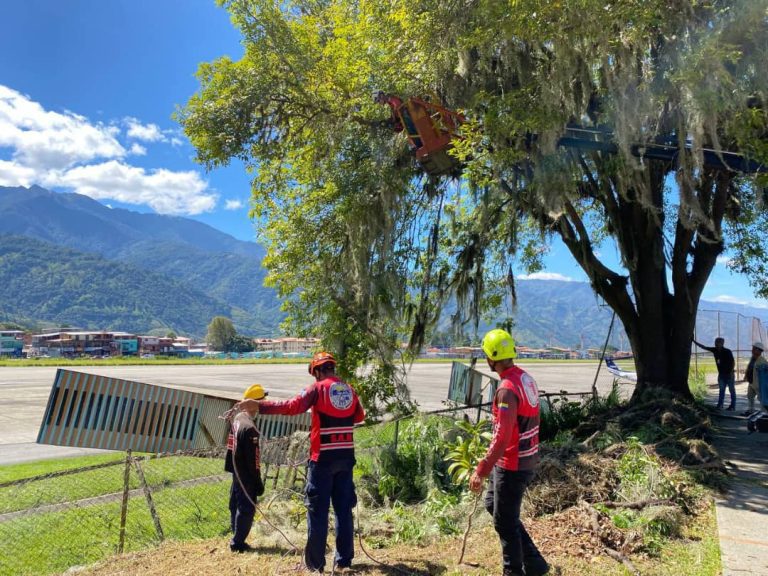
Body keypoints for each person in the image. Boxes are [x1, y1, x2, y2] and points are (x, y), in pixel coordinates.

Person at [236, 352, 365, 573]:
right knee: (343, 510)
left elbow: (292, 406)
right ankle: (344, 561)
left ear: (317, 371)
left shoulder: (317, 389)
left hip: (322, 459)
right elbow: (359, 417)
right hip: (345, 457)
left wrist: (259, 406)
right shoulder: (348, 389)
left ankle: (315, 565)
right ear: (332, 368)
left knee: (317, 512)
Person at [469, 329, 549, 576]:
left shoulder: (506, 389)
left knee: (505, 523)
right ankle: (535, 564)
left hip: (513, 463)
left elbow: (502, 437)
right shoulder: (525, 378)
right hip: (524, 458)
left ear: (491, 358)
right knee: (494, 505)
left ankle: (513, 571)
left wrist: (481, 470)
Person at [225, 384, 267, 553]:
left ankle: (235, 534)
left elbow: (230, 447)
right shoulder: (250, 429)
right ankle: (237, 542)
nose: (262, 406)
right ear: (254, 404)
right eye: (261, 402)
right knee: (247, 507)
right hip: (245, 473)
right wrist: (257, 482)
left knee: (235, 503)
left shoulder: (237, 419)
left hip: (236, 470)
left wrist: (232, 469)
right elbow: (254, 460)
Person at [693, 337, 736, 410]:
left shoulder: (727, 351)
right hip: (721, 374)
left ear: (722, 343)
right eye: (715, 342)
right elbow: (704, 347)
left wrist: (730, 372)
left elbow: (733, 363)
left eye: (718, 342)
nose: (716, 344)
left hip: (729, 374)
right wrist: (694, 341)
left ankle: (732, 406)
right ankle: (720, 405)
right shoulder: (714, 350)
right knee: (721, 390)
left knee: (731, 390)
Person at [743, 341, 768, 415]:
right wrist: (746, 376)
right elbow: (749, 368)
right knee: (750, 396)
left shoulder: (762, 361)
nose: (752, 350)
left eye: (754, 349)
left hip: (758, 384)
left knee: (761, 399)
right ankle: (750, 410)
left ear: (759, 350)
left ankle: (765, 413)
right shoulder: (753, 358)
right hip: (751, 382)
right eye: (753, 348)